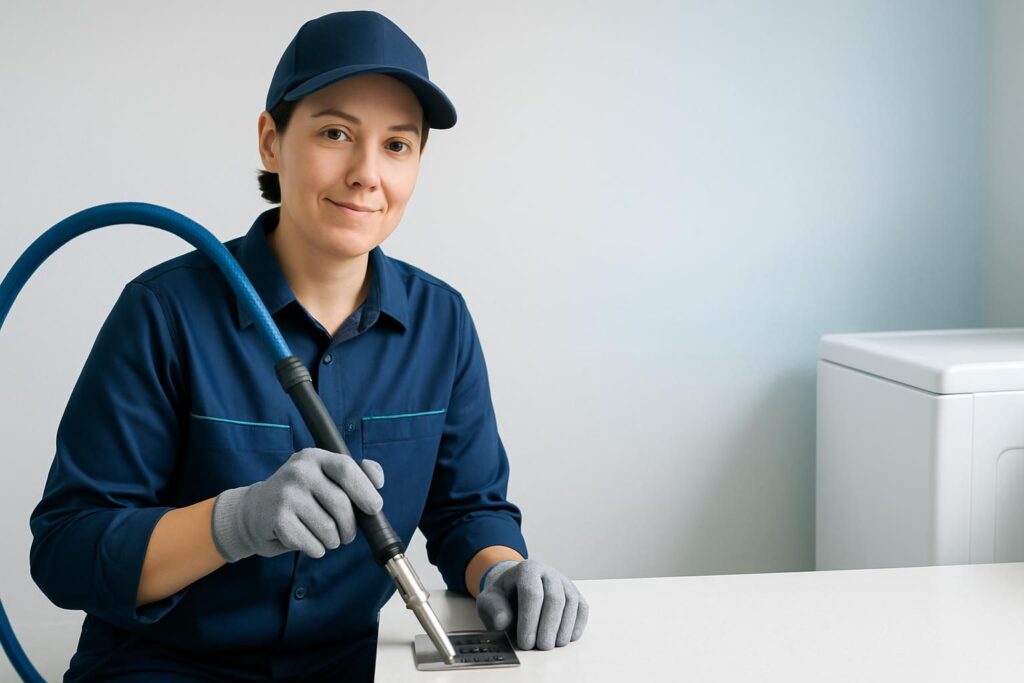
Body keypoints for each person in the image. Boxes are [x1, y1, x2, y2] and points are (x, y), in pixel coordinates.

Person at [28, 10, 588, 682]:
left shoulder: (443, 321)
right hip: (163, 666)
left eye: (397, 145)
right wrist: (230, 522)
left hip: (351, 668)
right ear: (271, 141)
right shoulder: (163, 311)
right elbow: (66, 549)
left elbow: (468, 506)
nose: (366, 173)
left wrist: (502, 569)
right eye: (334, 133)